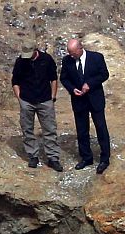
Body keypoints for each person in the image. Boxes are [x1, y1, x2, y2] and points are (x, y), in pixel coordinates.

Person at [60, 38, 111, 174]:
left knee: (101, 128)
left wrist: (90, 84)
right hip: (79, 100)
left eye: (73, 53)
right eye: (69, 53)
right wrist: (72, 89)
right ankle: (86, 157)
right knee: (82, 130)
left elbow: (104, 74)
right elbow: (64, 78)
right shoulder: (67, 61)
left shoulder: (96, 58)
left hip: (95, 98)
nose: (71, 56)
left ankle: (105, 159)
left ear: (80, 48)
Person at [11, 41, 62, 171]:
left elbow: (54, 78)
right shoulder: (20, 61)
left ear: (35, 50)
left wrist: (53, 96)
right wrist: (20, 99)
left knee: (50, 129)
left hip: (45, 100)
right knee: (27, 129)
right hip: (27, 100)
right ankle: (32, 155)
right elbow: (15, 81)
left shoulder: (47, 59)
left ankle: (53, 158)